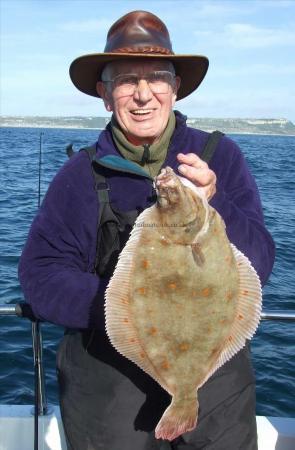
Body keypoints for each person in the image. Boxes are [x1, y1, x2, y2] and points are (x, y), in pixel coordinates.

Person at [19, 10, 275, 450]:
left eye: (157, 77)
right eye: (124, 80)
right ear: (104, 94)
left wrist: (218, 202)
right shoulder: (78, 176)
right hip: (108, 379)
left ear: (175, 89)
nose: (143, 95)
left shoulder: (221, 157)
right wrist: (128, 310)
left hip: (211, 375)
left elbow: (262, 261)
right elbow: (40, 275)